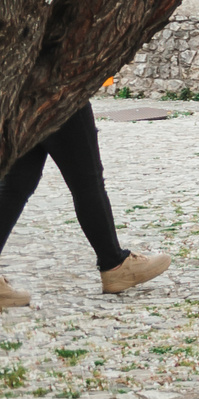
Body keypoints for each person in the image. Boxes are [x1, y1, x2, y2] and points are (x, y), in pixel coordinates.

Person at [0, 102, 171, 306]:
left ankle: (114, 262)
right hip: (61, 95)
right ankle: (115, 265)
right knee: (87, 181)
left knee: (16, 185)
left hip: (21, 99)